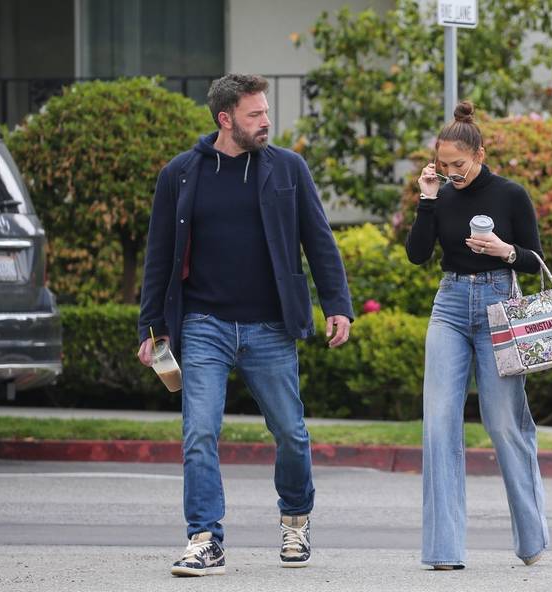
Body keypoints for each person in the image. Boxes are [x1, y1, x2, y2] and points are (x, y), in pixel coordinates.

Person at [137, 73, 354, 576]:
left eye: (265, 111)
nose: (266, 121)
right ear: (225, 119)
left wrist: (337, 304)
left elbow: (318, 239)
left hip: (270, 327)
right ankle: (204, 537)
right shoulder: (181, 174)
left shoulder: (287, 169)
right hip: (203, 324)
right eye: (255, 114)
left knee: (291, 433)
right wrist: (151, 327)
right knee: (199, 433)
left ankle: (295, 520)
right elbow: (159, 257)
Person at [406, 101, 549, 570]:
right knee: (439, 423)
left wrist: (507, 251)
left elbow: (536, 259)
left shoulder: (511, 195)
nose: (451, 175)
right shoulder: (440, 195)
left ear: (480, 154)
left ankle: (532, 539)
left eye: (459, 166)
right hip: (449, 305)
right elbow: (417, 255)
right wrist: (427, 200)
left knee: (504, 424)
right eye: (443, 167)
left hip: (499, 306)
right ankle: (444, 551)